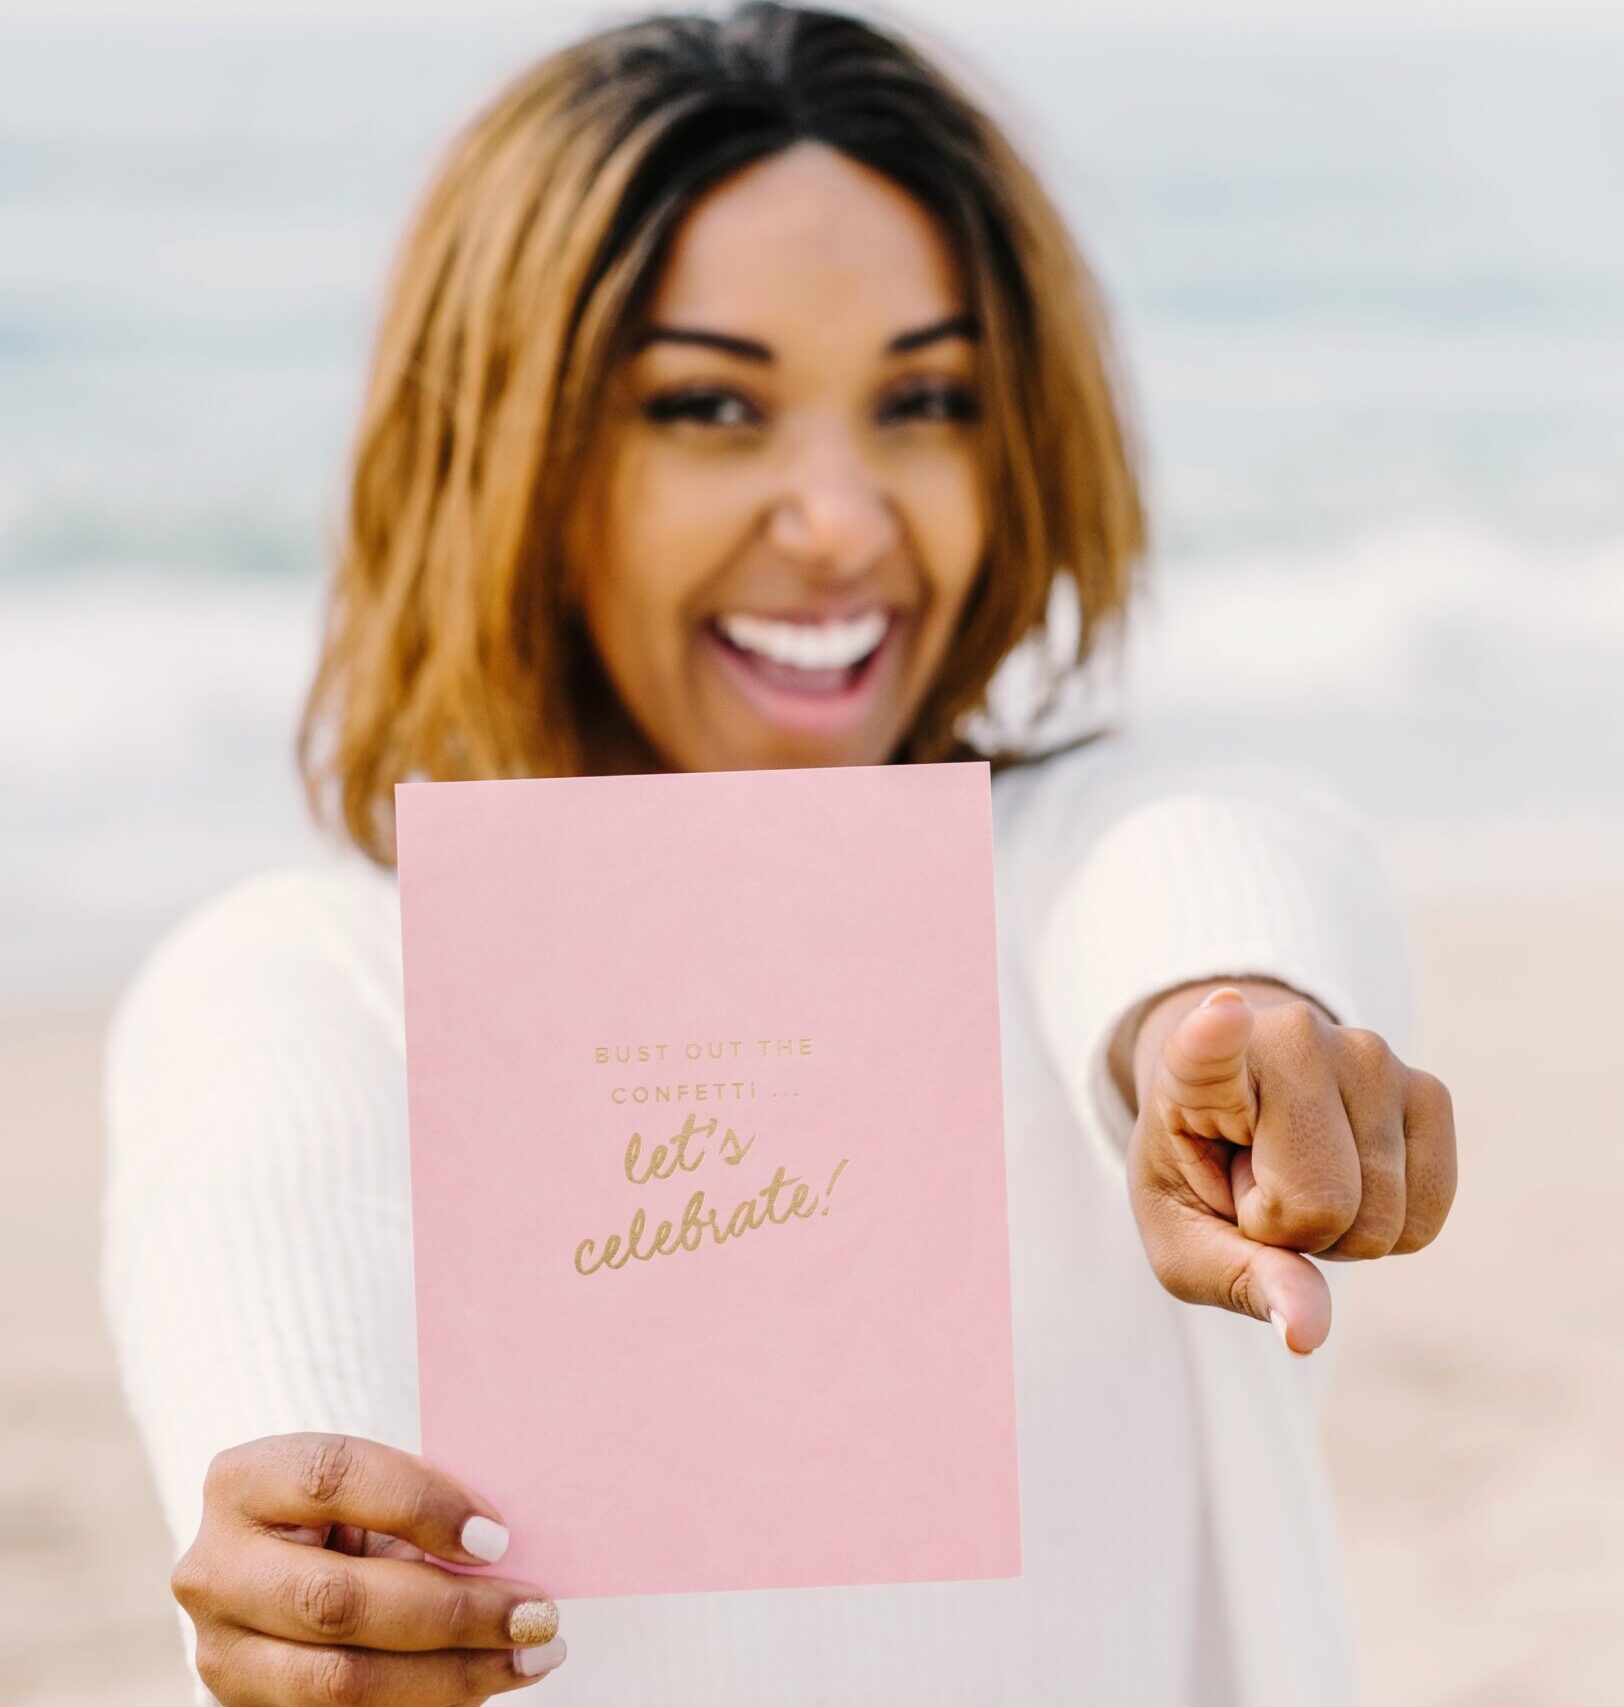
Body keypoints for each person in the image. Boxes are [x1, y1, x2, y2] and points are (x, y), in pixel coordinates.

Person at [100, 5, 1457, 1705]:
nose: (839, 518)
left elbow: (1200, 874)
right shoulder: (308, 974)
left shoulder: (1076, 861)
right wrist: (283, 1557)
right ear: (511, 447)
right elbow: (255, 1253)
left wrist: (1224, 1036)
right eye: (710, 407)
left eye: (928, 396)